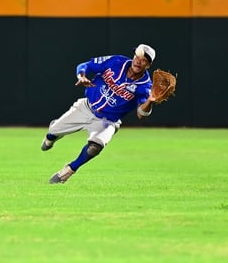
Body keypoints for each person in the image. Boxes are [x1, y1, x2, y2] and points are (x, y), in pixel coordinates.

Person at [41, 44, 159, 184]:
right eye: (137, 57)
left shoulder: (145, 87)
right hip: (86, 107)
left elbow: (141, 114)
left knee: (95, 147)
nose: (138, 61)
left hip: (107, 121)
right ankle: (51, 136)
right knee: (53, 131)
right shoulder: (116, 62)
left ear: (149, 65)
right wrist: (82, 75)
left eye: (144, 60)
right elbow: (86, 65)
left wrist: (150, 101)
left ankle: (68, 171)